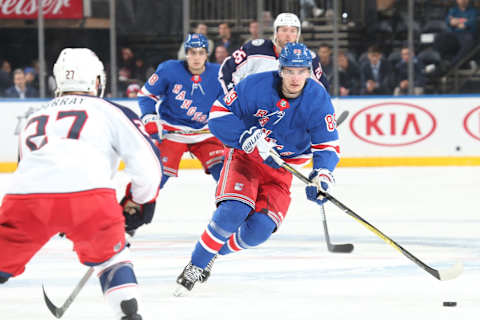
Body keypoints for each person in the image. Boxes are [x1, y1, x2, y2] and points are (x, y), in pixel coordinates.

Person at [0, 48, 163, 319]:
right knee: (113, 258)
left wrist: (55, 217)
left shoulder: (34, 116)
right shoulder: (110, 110)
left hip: (25, 200)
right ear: (97, 81)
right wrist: (138, 206)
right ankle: (128, 313)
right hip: (90, 199)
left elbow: (25, 168)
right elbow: (148, 168)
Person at [174, 42, 340, 296]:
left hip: (282, 171)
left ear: (308, 72)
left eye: (302, 71)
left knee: (259, 231)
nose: (296, 78)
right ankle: (195, 266)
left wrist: (322, 176)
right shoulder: (256, 85)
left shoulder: (318, 98)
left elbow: (327, 144)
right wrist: (245, 137)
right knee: (234, 211)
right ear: (280, 69)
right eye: (290, 71)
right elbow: (218, 114)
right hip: (246, 159)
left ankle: (212, 254)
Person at [138, 33, 224, 188]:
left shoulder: (220, 74)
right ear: (186, 53)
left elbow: (231, 104)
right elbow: (146, 95)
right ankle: (134, 208)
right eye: (192, 52)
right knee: (154, 180)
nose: (196, 57)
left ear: (207, 54)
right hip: (172, 133)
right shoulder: (169, 69)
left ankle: (242, 210)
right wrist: (149, 116)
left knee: (226, 177)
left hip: (206, 134)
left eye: (201, 53)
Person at [218, 12, 329, 94]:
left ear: (298, 34)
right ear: (276, 32)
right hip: (254, 112)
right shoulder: (254, 49)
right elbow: (228, 70)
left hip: (287, 114)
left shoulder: (308, 57)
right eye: (284, 30)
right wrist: (233, 97)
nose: (288, 35)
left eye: (293, 31)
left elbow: (322, 88)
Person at [434, 0, 477, 68]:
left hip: (467, 34)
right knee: (439, 37)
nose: (463, 1)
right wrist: (464, 21)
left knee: (469, 41)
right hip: (454, 34)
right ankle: (442, 63)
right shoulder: (453, 10)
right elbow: (449, 22)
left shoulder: (473, 11)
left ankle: (454, 64)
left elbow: (471, 23)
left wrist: (457, 21)